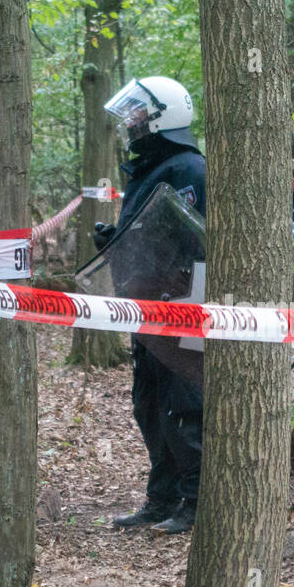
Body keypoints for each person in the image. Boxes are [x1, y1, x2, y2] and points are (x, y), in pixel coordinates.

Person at [95, 76, 206, 536]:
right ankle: (161, 498)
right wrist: (117, 241)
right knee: (150, 403)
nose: (131, 123)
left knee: (184, 406)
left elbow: (194, 238)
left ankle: (195, 500)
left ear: (164, 118)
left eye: (139, 115)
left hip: (181, 303)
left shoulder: (189, 169)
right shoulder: (148, 171)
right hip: (145, 308)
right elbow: (151, 228)